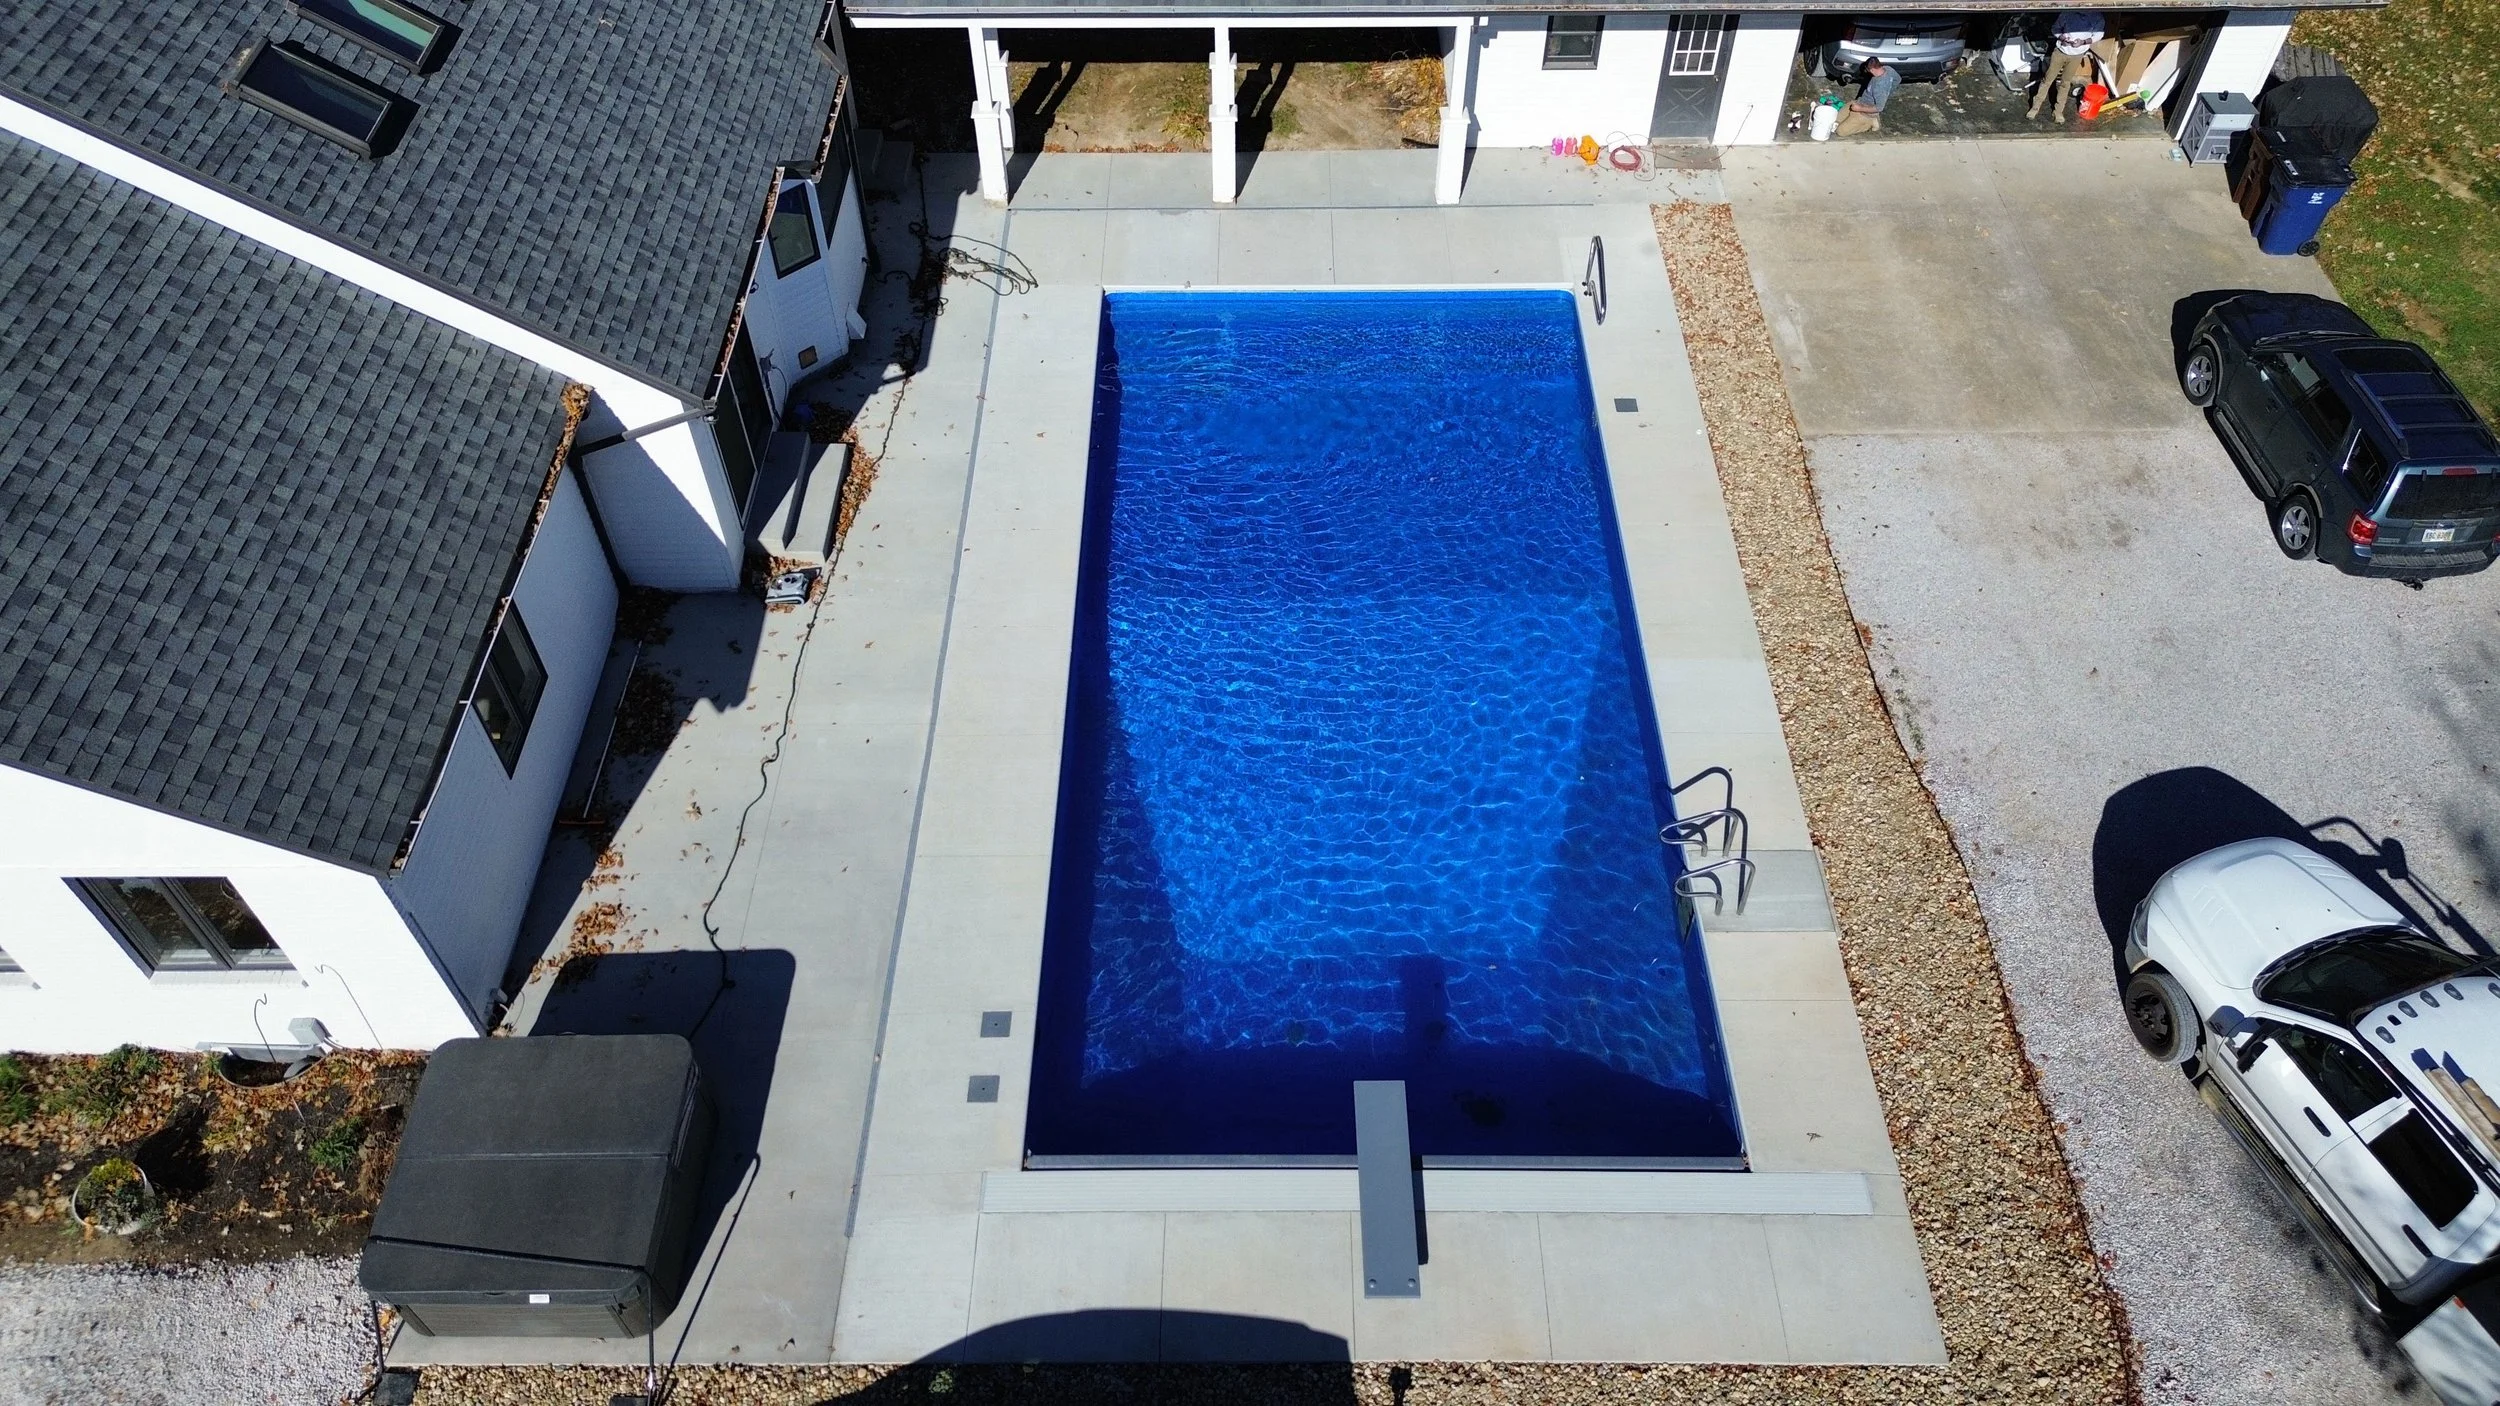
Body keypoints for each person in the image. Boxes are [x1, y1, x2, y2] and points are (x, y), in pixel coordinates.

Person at [2029, 10, 2106, 122]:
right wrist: (2062, 37)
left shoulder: (2097, 16)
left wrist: (2084, 42)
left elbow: (2099, 34)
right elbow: (2055, 28)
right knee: (2047, 80)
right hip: (2060, 52)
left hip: (2077, 55)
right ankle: (2034, 108)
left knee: (2065, 83)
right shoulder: (2067, 13)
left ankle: (2058, 111)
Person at [1834, 56, 1898, 138]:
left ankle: (1871, 122)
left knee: (1841, 131)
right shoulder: (1888, 69)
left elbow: (1879, 108)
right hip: (1861, 101)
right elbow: (1898, 79)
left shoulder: (1879, 87)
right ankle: (1855, 115)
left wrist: (1859, 108)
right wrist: (1888, 91)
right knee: (1836, 118)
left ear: (1872, 69)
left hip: (1866, 113)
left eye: (1867, 70)